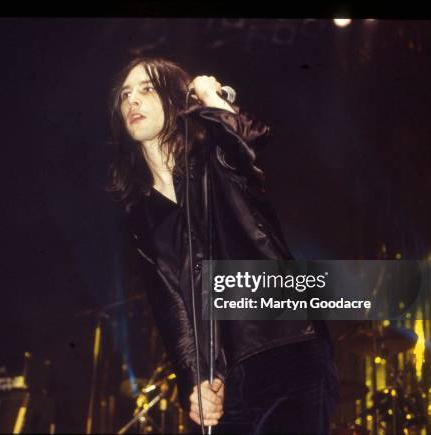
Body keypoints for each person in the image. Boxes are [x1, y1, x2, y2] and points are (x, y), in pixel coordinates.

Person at [107, 57, 338, 434]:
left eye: (147, 89)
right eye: (125, 95)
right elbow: (170, 305)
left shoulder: (215, 157)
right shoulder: (140, 213)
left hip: (285, 343)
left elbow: (252, 138)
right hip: (223, 378)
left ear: (174, 98)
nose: (132, 100)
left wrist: (211, 95)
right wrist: (193, 380)